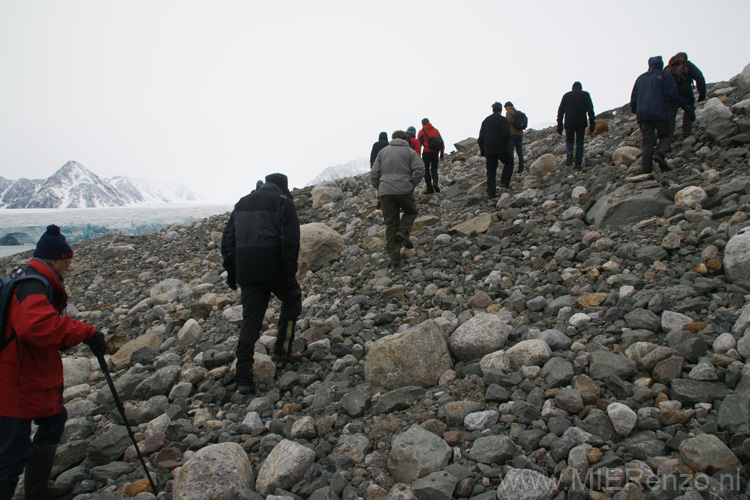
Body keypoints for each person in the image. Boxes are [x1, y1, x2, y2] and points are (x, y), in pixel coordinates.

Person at [0, 224, 106, 500]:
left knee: (54, 419)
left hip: (28, 372)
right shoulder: (34, 285)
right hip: (15, 378)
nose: (69, 266)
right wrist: (84, 331)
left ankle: (37, 490)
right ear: (53, 259)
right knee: (12, 450)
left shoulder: (26, 277)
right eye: (67, 261)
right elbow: (36, 327)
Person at [221, 173, 302, 395]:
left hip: (247, 268)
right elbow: (290, 240)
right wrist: (288, 272)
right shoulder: (283, 202)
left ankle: (244, 377)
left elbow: (228, 240)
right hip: (273, 266)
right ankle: (281, 351)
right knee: (292, 299)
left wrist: (232, 271)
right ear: (283, 186)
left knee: (251, 321)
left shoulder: (242, 203)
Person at [630, 56, 693, 175]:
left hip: (643, 115)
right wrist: (686, 108)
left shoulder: (640, 78)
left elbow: (634, 99)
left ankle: (646, 171)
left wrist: (636, 111)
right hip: (660, 113)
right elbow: (673, 95)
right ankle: (660, 154)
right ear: (661, 64)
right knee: (666, 136)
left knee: (648, 142)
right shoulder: (665, 76)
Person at [370, 130, 424, 267]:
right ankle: (403, 231)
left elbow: (374, 172)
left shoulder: (383, 152)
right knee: (411, 212)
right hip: (404, 189)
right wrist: (412, 183)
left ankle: (395, 258)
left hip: (386, 191)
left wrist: (378, 187)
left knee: (391, 223)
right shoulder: (410, 151)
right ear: (405, 139)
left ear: (393, 139)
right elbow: (420, 168)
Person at [556, 82, 596, 168]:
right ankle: (578, 163)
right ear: (581, 88)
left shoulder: (566, 96)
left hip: (569, 122)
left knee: (569, 140)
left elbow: (560, 111)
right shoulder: (585, 95)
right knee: (579, 142)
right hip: (581, 122)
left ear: (572, 88)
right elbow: (590, 110)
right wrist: (592, 123)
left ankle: (569, 152)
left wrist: (559, 125)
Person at [667, 52, 706, 138]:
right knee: (689, 107)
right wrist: (702, 93)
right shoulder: (688, 65)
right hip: (686, 90)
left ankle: (669, 135)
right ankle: (686, 131)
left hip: (672, 92)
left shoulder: (668, 67)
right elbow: (699, 77)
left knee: (671, 112)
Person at [478, 102, 513, 198]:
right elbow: (506, 134)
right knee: (509, 162)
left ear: (492, 109)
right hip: (501, 147)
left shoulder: (486, 121)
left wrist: (483, 150)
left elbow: (481, 138)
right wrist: (506, 145)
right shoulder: (503, 120)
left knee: (491, 171)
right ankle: (505, 182)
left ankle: (491, 192)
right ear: (501, 109)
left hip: (489, 149)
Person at [417, 118, 444, 194]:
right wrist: (441, 154)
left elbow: (419, 144)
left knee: (426, 169)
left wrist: (418, 155)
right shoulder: (436, 130)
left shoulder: (421, 132)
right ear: (429, 122)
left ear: (422, 124)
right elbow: (442, 143)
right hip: (435, 152)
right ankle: (435, 183)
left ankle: (430, 188)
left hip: (426, 152)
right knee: (434, 169)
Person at [504, 102, 525, 174]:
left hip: (512, 134)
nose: (505, 109)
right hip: (519, 134)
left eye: (506, 107)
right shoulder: (517, 112)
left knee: (511, 152)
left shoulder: (509, 112)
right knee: (520, 152)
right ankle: (521, 167)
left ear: (509, 106)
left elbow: (507, 123)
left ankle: (510, 169)